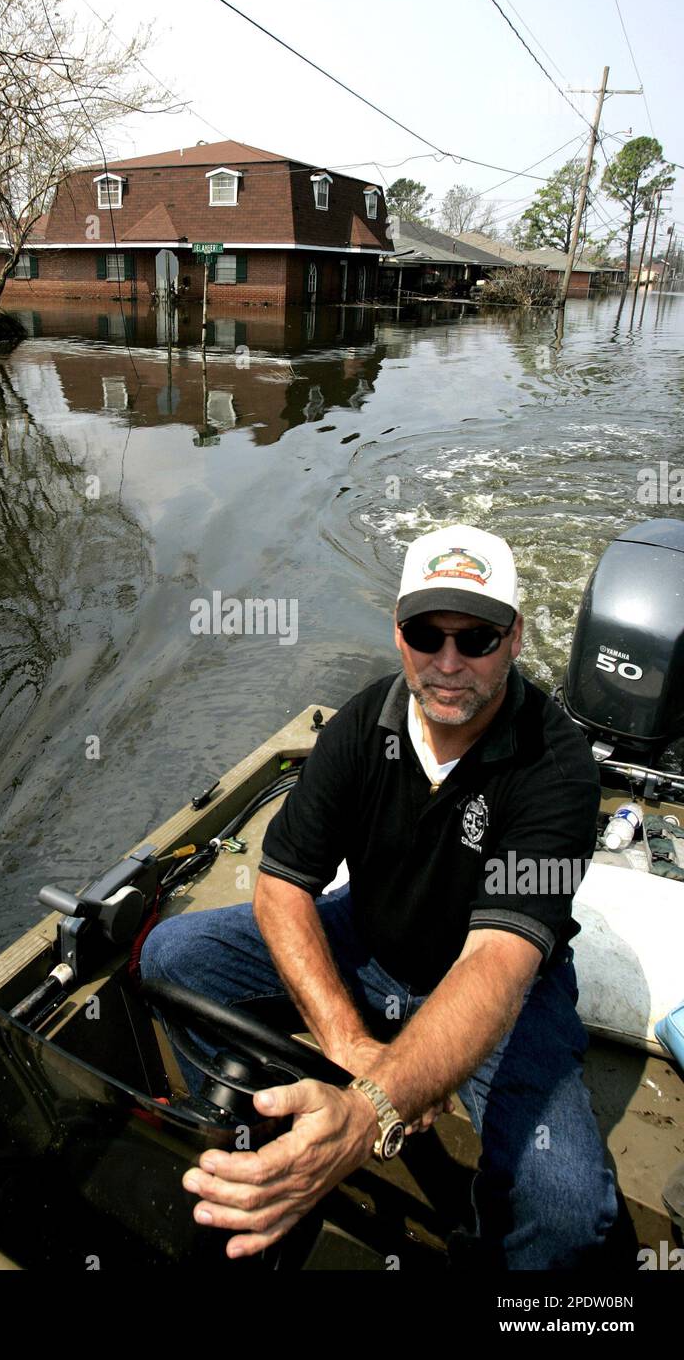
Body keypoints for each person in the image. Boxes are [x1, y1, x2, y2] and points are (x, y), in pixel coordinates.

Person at [140, 524, 619, 1268]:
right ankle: (262, 1133)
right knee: (172, 956)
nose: (450, 663)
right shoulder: (364, 726)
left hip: (504, 992)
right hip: (366, 940)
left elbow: (499, 958)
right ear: (399, 635)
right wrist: (347, 1043)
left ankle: (486, 1246)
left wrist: (372, 1105)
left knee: (564, 1208)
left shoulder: (557, 770)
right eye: (428, 634)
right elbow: (280, 887)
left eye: (479, 637)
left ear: (516, 638)